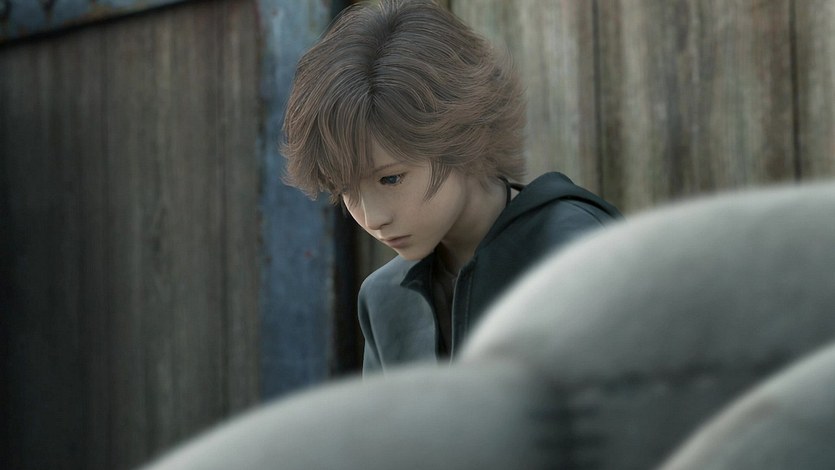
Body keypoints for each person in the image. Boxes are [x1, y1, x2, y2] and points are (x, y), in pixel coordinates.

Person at [282, 0, 621, 374]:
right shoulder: (384, 300)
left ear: (462, 136)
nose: (372, 218)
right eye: (345, 188)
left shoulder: (576, 249)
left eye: (391, 178)